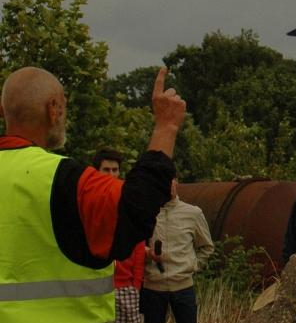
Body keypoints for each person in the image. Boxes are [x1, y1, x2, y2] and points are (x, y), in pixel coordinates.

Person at [0, 66, 184, 322]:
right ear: (53, 110)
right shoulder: (65, 179)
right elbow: (135, 209)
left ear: (3, 112)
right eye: (63, 107)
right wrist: (166, 127)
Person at [140, 176, 214, 323]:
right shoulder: (146, 213)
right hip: (153, 287)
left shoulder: (193, 213)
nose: (168, 185)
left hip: (183, 288)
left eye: (171, 179)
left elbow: (206, 247)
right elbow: (134, 246)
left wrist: (192, 266)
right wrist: (148, 253)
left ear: (176, 181)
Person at [93, 148, 147, 323]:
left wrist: (136, 285)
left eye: (114, 170)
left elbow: (139, 245)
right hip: (98, 286)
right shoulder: (89, 198)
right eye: (106, 170)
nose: (111, 174)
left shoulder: (128, 199)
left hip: (126, 287)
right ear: (96, 171)